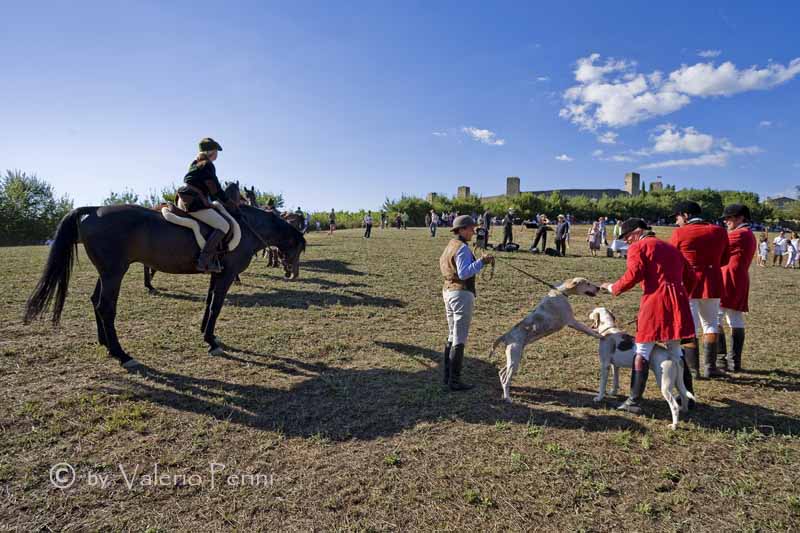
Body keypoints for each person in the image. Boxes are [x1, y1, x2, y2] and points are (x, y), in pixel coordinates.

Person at [600, 219, 695, 414]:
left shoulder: (640, 247)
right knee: (675, 350)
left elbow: (633, 275)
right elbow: (691, 277)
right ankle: (687, 396)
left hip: (656, 301)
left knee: (642, 350)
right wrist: (680, 294)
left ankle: (634, 401)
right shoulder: (670, 247)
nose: (627, 243)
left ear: (637, 232)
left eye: (627, 238)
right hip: (678, 300)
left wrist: (612, 287)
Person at [670, 200, 730, 379]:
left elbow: (672, 259)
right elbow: (725, 259)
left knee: (690, 327)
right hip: (713, 282)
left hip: (688, 284)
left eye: (677, 217)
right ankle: (710, 367)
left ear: (686, 215)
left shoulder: (680, 232)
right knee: (711, 323)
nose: (676, 221)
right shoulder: (719, 231)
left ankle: (693, 369)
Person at [439, 215, 494, 391]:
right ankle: (454, 381)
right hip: (461, 293)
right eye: (471, 228)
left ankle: (448, 377)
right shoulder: (462, 248)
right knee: (459, 337)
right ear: (461, 230)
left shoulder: (450, 245)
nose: (473, 231)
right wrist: (482, 262)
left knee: (451, 334)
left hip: (448, 291)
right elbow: (463, 273)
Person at [177, 137, 239, 273]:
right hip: (195, 203)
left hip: (183, 200)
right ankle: (204, 260)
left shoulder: (195, 163)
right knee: (224, 225)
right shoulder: (208, 164)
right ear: (211, 152)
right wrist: (229, 202)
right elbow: (215, 189)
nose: (217, 154)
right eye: (216, 151)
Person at [717, 204, 757, 373]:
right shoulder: (747, 234)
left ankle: (720, 359)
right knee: (734, 319)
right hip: (738, 279)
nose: (726, 221)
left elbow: (717, 246)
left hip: (728, 278)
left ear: (741, 218)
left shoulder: (739, 234)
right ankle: (733, 361)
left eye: (729, 218)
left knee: (715, 318)